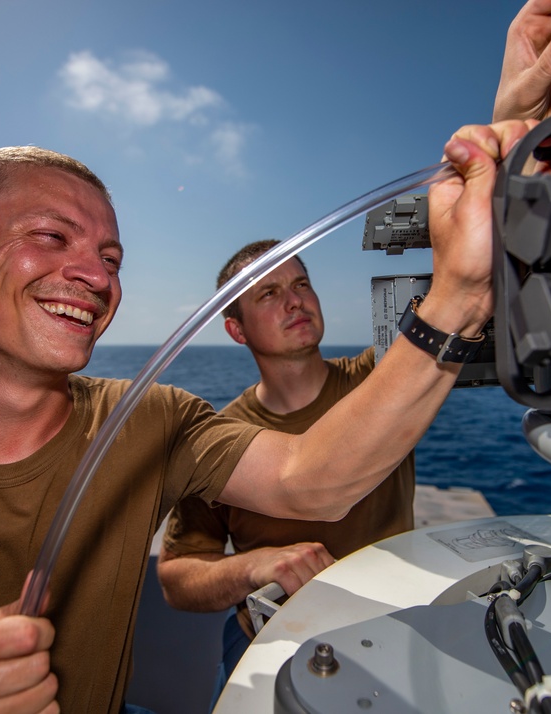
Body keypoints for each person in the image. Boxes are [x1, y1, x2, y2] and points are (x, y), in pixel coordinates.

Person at [0, 1, 551, 711]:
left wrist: (506, 156)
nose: (91, 275)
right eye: (52, 237)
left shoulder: (148, 419)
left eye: (111, 257)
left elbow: (314, 477)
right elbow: (182, 575)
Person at [157, 241, 417, 705]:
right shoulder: (219, 442)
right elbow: (177, 579)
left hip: (389, 626)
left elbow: (459, 323)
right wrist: (256, 566)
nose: (294, 300)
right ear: (236, 330)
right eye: (268, 294)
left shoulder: (380, 381)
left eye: (301, 284)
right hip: (269, 641)